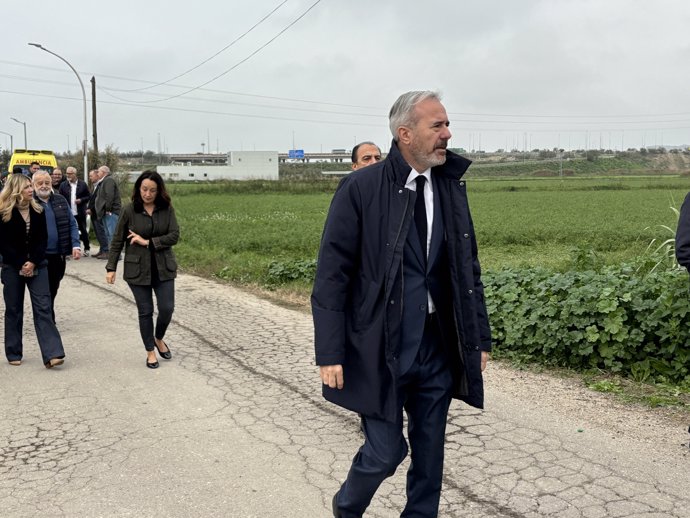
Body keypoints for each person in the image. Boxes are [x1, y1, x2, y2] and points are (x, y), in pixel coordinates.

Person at [312, 91, 491, 518]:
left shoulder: (449, 187)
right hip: (380, 346)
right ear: (405, 133)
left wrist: (478, 337)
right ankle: (347, 507)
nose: (447, 134)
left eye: (447, 125)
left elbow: (467, 268)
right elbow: (332, 274)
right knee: (386, 452)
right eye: (437, 126)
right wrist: (331, 351)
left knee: (431, 458)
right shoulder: (360, 188)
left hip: (436, 346)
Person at [105, 171, 179, 369]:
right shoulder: (130, 210)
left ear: (159, 191)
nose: (148, 194)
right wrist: (111, 267)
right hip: (137, 270)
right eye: (145, 189)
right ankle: (150, 351)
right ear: (139, 189)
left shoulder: (166, 209)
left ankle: (159, 337)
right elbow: (118, 240)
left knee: (167, 309)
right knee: (145, 311)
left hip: (163, 268)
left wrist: (148, 242)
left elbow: (174, 235)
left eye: (152, 190)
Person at [0, 174, 66, 368]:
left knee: (43, 307)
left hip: (38, 265)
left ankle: (53, 353)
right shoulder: (4, 213)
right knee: (13, 309)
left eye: (31, 186)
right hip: (12, 267)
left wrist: (33, 262)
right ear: (16, 190)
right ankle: (13, 351)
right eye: (27, 187)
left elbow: (42, 240)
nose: (31, 189)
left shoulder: (38, 210)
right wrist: (22, 262)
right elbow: (4, 245)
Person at [32, 171, 81, 322]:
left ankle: (48, 313)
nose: (44, 186)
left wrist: (76, 245)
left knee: (53, 288)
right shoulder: (29, 203)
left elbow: (72, 223)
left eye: (47, 182)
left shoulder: (60, 200)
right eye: (40, 183)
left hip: (57, 255)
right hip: (38, 257)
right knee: (42, 291)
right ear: (33, 185)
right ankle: (46, 319)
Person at [59, 166, 91, 256]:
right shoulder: (63, 185)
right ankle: (70, 249)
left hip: (79, 212)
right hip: (68, 213)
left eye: (70, 173)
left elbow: (88, 196)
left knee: (83, 230)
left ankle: (87, 248)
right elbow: (60, 198)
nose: (68, 175)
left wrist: (81, 200)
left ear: (75, 174)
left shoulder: (83, 184)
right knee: (67, 231)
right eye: (67, 173)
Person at [94, 165, 121, 254]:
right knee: (108, 234)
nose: (97, 173)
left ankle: (116, 254)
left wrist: (108, 209)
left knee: (112, 234)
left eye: (99, 171)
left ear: (104, 172)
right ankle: (111, 253)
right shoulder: (104, 181)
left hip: (110, 212)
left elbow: (109, 196)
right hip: (106, 212)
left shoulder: (109, 180)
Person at [87, 169, 109, 258]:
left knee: (101, 232)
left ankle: (106, 251)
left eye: (91, 176)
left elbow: (98, 200)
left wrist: (91, 209)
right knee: (97, 233)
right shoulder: (95, 186)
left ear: (97, 175)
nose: (90, 178)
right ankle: (101, 250)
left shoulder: (101, 185)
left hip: (97, 213)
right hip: (93, 213)